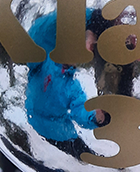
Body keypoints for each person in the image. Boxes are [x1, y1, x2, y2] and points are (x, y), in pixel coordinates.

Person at [27, 11, 108, 159]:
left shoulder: (73, 86)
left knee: (86, 159)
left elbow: (80, 111)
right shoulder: (43, 62)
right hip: (34, 129)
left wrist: (97, 118)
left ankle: (109, 167)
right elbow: (38, 35)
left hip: (62, 135)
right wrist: (89, 16)